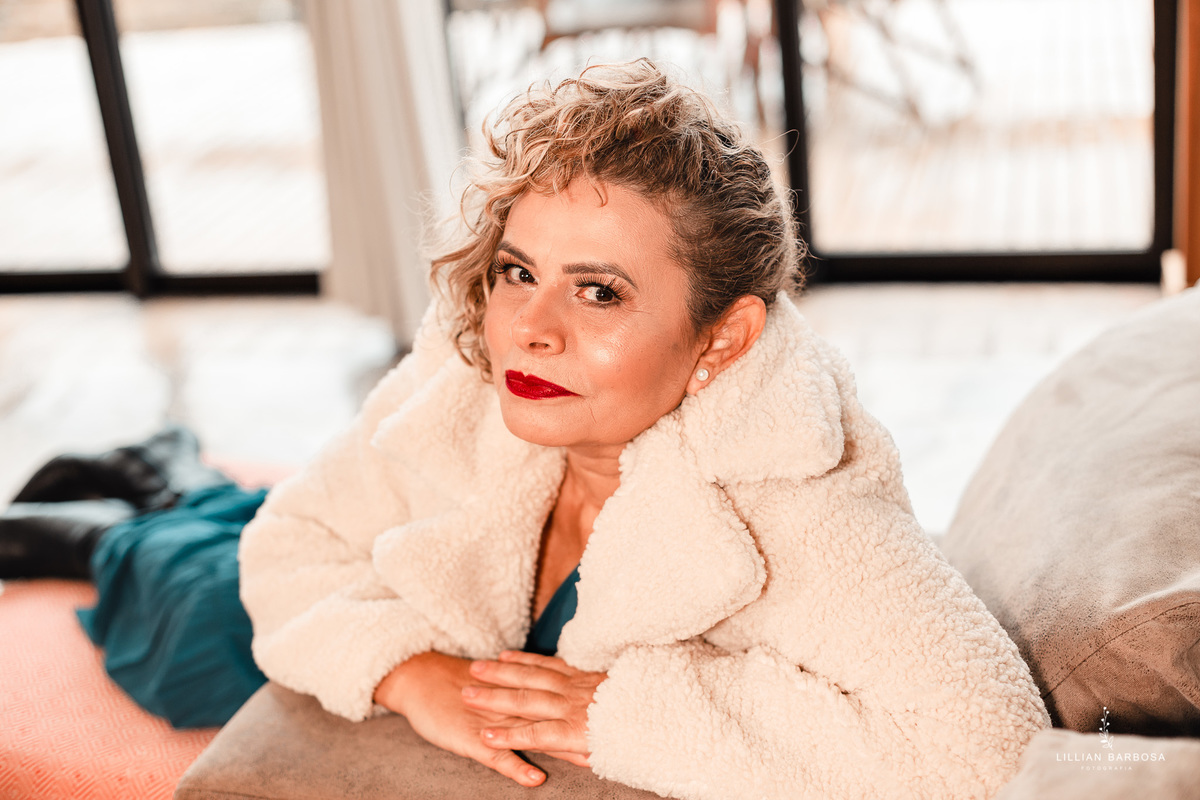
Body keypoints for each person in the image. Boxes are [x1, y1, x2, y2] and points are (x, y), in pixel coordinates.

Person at [2, 60, 1049, 799]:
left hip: (426, 580)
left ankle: (153, 495)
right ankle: (136, 513)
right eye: (517, 270)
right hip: (365, 589)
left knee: (204, 625)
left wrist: (623, 712)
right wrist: (409, 673)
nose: (528, 329)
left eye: (599, 291)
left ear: (722, 339)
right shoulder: (472, 370)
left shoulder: (801, 500)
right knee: (195, 617)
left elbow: (991, 748)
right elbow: (293, 543)